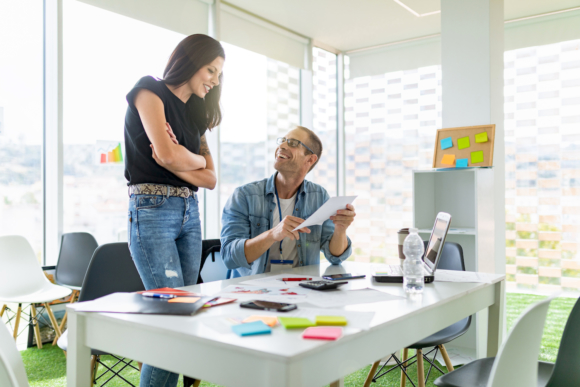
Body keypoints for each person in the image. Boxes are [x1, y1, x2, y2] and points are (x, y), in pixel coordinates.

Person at [124, 34, 224, 387]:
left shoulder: (196, 118)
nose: (214, 80)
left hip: (189, 212)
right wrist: (183, 158)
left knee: (185, 313)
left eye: (218, 74)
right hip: (152, 209)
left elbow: (210, 178)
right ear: (191, 59)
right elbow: (166, 156)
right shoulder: (149, 90)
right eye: (211, 69)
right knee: (173, 316)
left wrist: (184, 155)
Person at [221, 126, 356, 277]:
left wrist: (340, 229)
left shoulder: (319, 196)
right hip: (254, 290)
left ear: (310, 159)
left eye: (292, 143)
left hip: (302, 288)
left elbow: (335, 257)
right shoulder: (244, 196)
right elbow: (229, 257)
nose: (282, 146)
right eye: (283, 141)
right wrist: (272, 235)